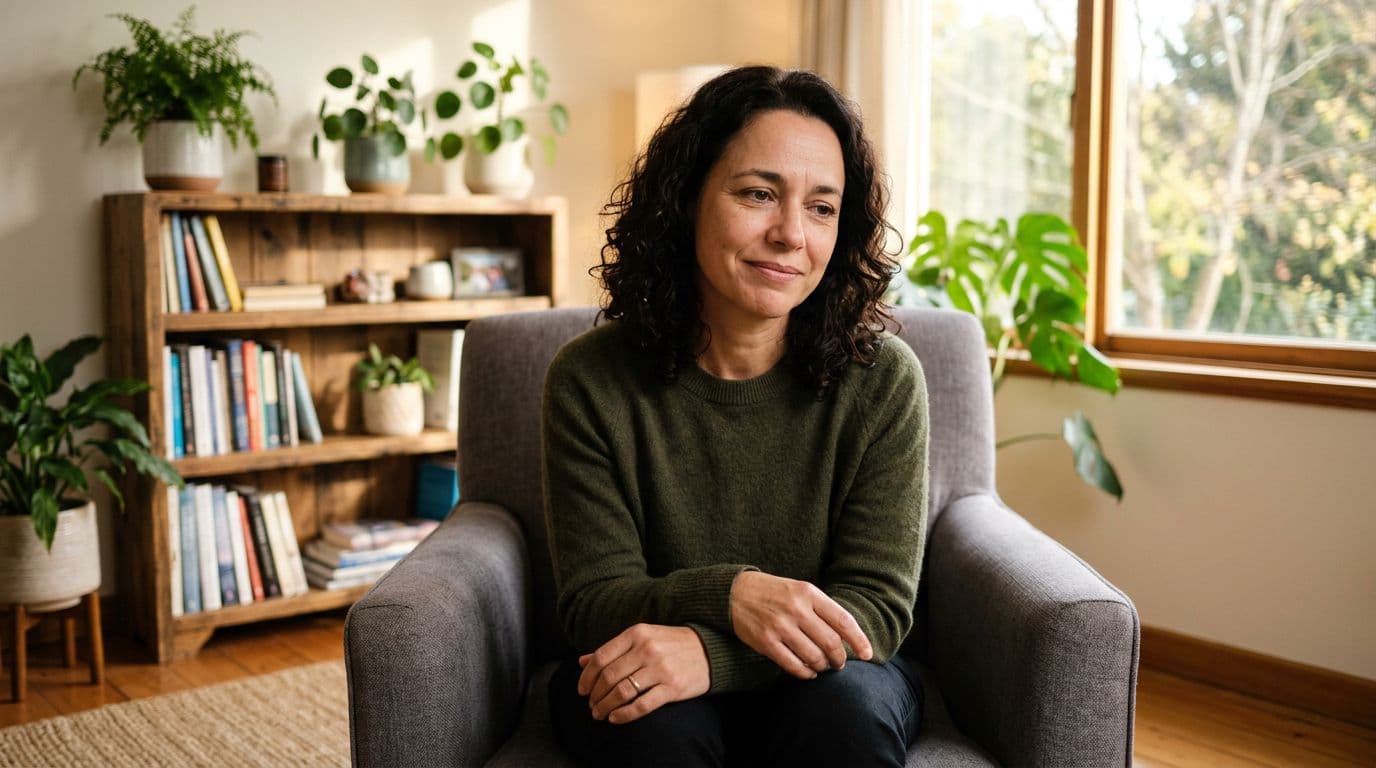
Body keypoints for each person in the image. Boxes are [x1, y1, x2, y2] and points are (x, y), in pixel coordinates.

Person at [542, 65, 930, 767]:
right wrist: (733, 595)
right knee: (639, 720)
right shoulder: (590, 379)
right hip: (648, 666)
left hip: (835, 679)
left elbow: (874, 606)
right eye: (758, 194)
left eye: (822, 208)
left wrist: (716, 655)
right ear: (686, 199)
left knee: (844, 716)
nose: (790, 235)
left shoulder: (884, 382)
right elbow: (594, 602)